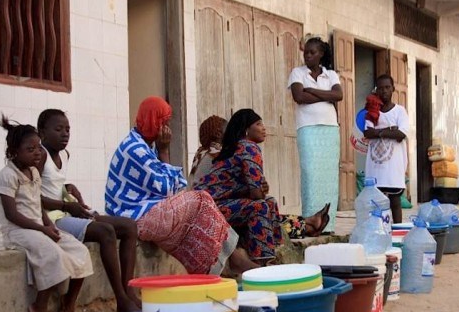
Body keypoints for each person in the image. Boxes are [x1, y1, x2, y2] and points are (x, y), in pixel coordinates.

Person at [105, 96, 258, 275]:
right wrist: (164, 151)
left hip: (147, 210)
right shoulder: (135, 148)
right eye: (165, 122)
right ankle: (234, 260)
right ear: (154, 121)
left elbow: (174, 187)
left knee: (196, 218)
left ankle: (219, 266)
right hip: (135, 218)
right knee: (201, 199)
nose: (167, 129)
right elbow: (170, 190)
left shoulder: (146, 145)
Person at [37, 109, 140, 312]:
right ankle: (120, 299)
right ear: (42, 132)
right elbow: (33, 196)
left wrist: (68, 188)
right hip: (53, 219)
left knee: (129, 227)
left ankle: (129, 293)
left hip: (66, 212)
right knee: (106, 232)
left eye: (67, 129)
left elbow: (52, 183)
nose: (65, 134)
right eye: (58, 129)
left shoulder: (64, 155)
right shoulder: (40, 156)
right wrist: (65, 206)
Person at [0, 116, 93, 312]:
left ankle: (68, 307)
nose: (37, 153)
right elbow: (12, 214)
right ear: (13, 152)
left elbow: (37, 205)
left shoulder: (33, 172)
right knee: (52, 253)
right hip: (18, 231)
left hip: (38, 227)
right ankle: (38, 308)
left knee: (79, 251)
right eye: (30, 149)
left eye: (38, 148)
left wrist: (50, 226)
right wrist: (42, 229)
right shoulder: (7, 176)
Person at [194, 109, 330, 262]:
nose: (264, 128)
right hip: (209, 208)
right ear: (246, 130)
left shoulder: (230, 148)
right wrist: (259, 189)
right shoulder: (247, 147)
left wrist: (258, 189)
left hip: (214, 204)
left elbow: (254, 189)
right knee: (260, 207)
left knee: (269, 203)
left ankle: (277, 252)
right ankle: (261, 262)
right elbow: (257, 194)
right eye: (258, 124)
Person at [288, 36, 343, 233]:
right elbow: (299, 96)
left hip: (330, 129)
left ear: (321, 54)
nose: (308, 56)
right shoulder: (297, 72)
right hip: (308, 128)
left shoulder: (331, 75)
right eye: (306, 53)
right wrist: (324, 94)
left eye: (312, 53)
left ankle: (329, 224)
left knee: (329, 177)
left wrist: (312, 90)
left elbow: (339, 95)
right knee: (311, 174)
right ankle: (311, 222)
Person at [363, 74, 410, 223]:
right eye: (380, 88)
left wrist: (380, 132)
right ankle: (378, 232)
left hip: (393, 168)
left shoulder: (400, 111)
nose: (384, 91)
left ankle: (397, 233)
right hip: (376, 168)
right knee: (376, 204)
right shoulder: (372, 112)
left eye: (387, 87)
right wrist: (389, 130)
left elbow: (401, 134)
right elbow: (367, 133)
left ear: (393, 89)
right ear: (376, 90)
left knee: (395, 202)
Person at [188, 115, 226, 186]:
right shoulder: (216, 153)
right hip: (202, 195)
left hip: (192, 194)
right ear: (218, 134)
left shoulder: (201, 152)